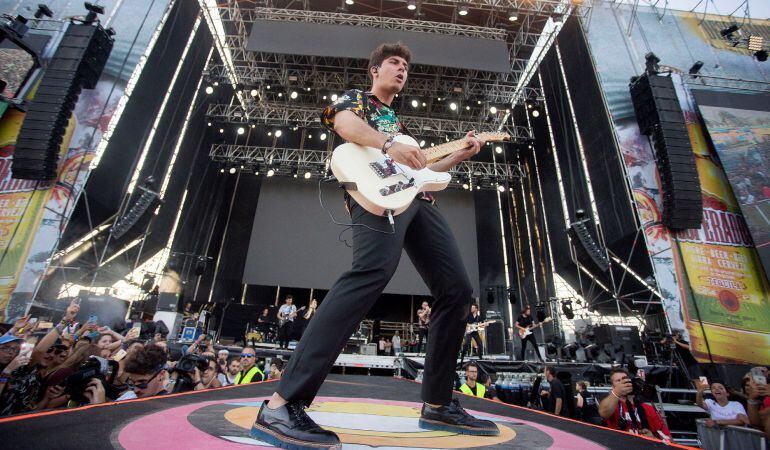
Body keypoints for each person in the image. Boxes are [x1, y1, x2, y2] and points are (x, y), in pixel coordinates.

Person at [250, 42, 497, 449]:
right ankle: (281, 403)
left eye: (405, 66)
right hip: (377, 200)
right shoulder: (359, 103)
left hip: (416, 200)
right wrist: (387, 144)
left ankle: (436, 403)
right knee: (370, 274)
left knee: (457, 290)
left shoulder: (397, 125)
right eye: (394, 64)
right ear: (374, 70)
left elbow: (427, 171)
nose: (401, 70)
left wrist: (462, 153)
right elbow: (344, 125)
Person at [599, 367, 670, 439]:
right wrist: (617, 392)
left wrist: (653, 438)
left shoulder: (649, 409)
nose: (623, 383)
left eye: (625, 380)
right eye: (618, 381)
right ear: (613, 387)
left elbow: (668, 439)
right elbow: (603, 412)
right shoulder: (612, 406)